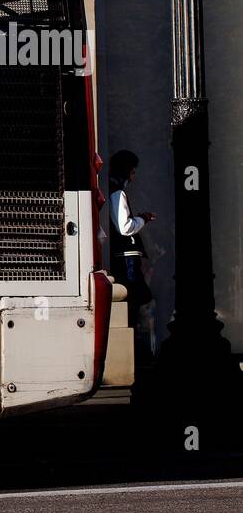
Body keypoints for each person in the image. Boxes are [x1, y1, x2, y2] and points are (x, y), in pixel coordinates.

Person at [108, 149, 155, 361]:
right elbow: (125, 227)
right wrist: (143, 219)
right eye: (133, 172)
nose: (133, 177)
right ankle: (132, 351)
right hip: (127, 259)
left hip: (125, 257)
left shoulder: (113, 190)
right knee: (132, 302)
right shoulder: (117, 193)